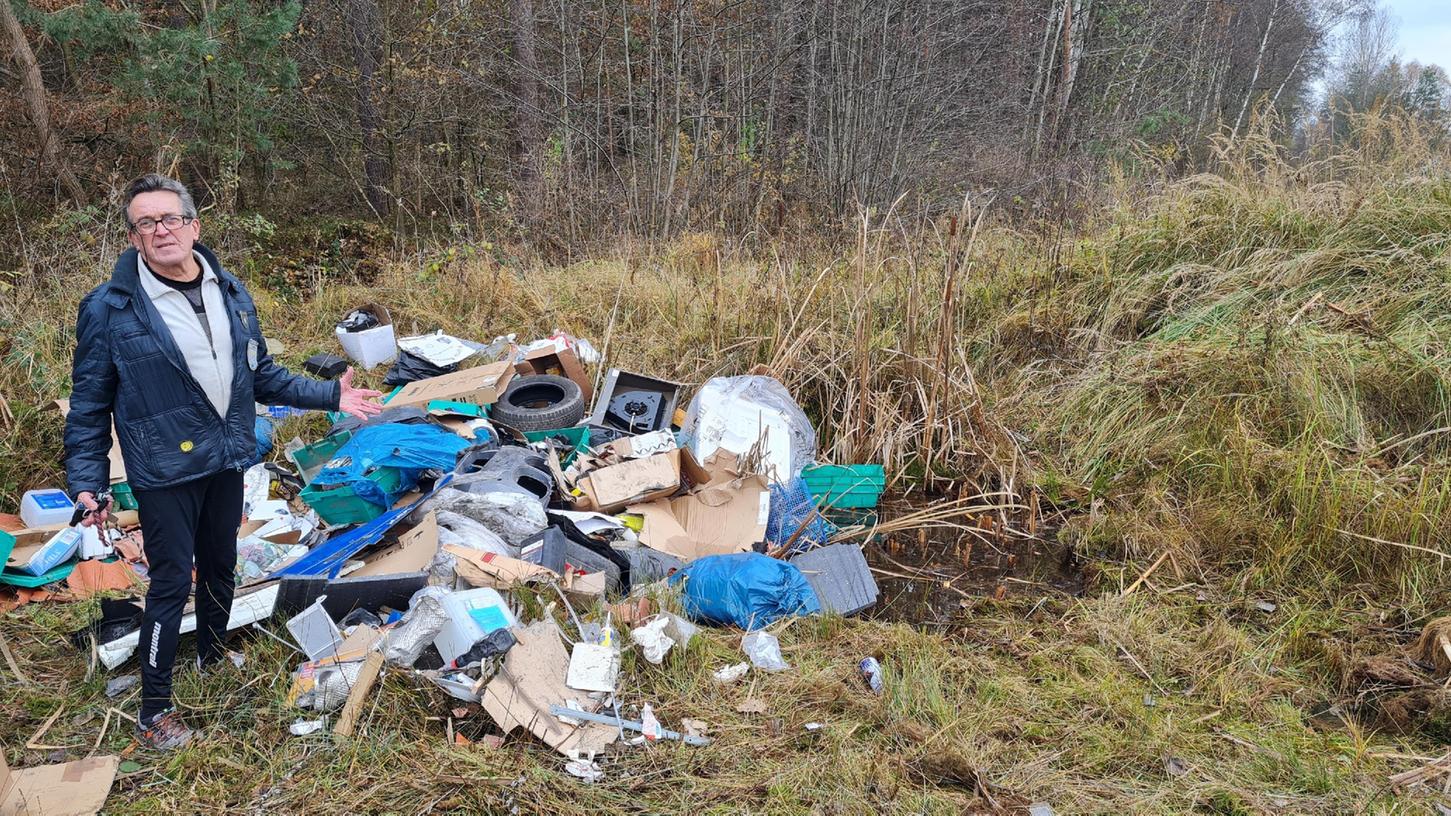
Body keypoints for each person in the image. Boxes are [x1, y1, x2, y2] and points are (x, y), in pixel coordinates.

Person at [63, 173, 384, 750]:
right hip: (162, 470)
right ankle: (155, 709)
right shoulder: (109, 310)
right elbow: (88, 406)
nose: (160, 231)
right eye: (146, 223)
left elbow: (260, 376)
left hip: (226, 458)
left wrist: (333, 395)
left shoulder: (229, 291)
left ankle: (212, 656)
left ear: (193, 226)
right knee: (167, 584)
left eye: (170, 219)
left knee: (220, 564)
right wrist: (87, 484)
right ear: (134, 237)